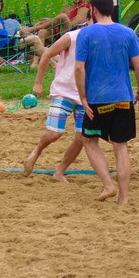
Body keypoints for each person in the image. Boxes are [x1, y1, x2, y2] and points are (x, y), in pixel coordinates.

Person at [74, 0, 139, 205]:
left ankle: (108, 184)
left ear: (93, 9)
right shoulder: (128, 33)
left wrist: (83, 98)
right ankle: (123, 199)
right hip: (124, 98)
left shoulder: (86, 33)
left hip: (98, 98)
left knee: (89, 140)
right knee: (120, 146)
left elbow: (79, 68)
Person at [25, 22, 89, 180]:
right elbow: (47, 54)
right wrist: (38, 83)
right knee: (54, 133)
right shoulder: (72, 37)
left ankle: (59, 172)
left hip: (86, 96)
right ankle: (36, 152)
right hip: (64, 91)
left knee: (82, 137)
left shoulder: (102, 39)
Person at [23, 0, 90, 43]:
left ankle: (32, 29)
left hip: (71, 35)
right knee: (42, 31)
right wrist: (45, 22)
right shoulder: (67, 8)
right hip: (59, 33)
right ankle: (41, 55)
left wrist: (51, 23)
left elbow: (73, 25)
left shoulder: (84, 8)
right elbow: (56, 20)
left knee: (63, 16)